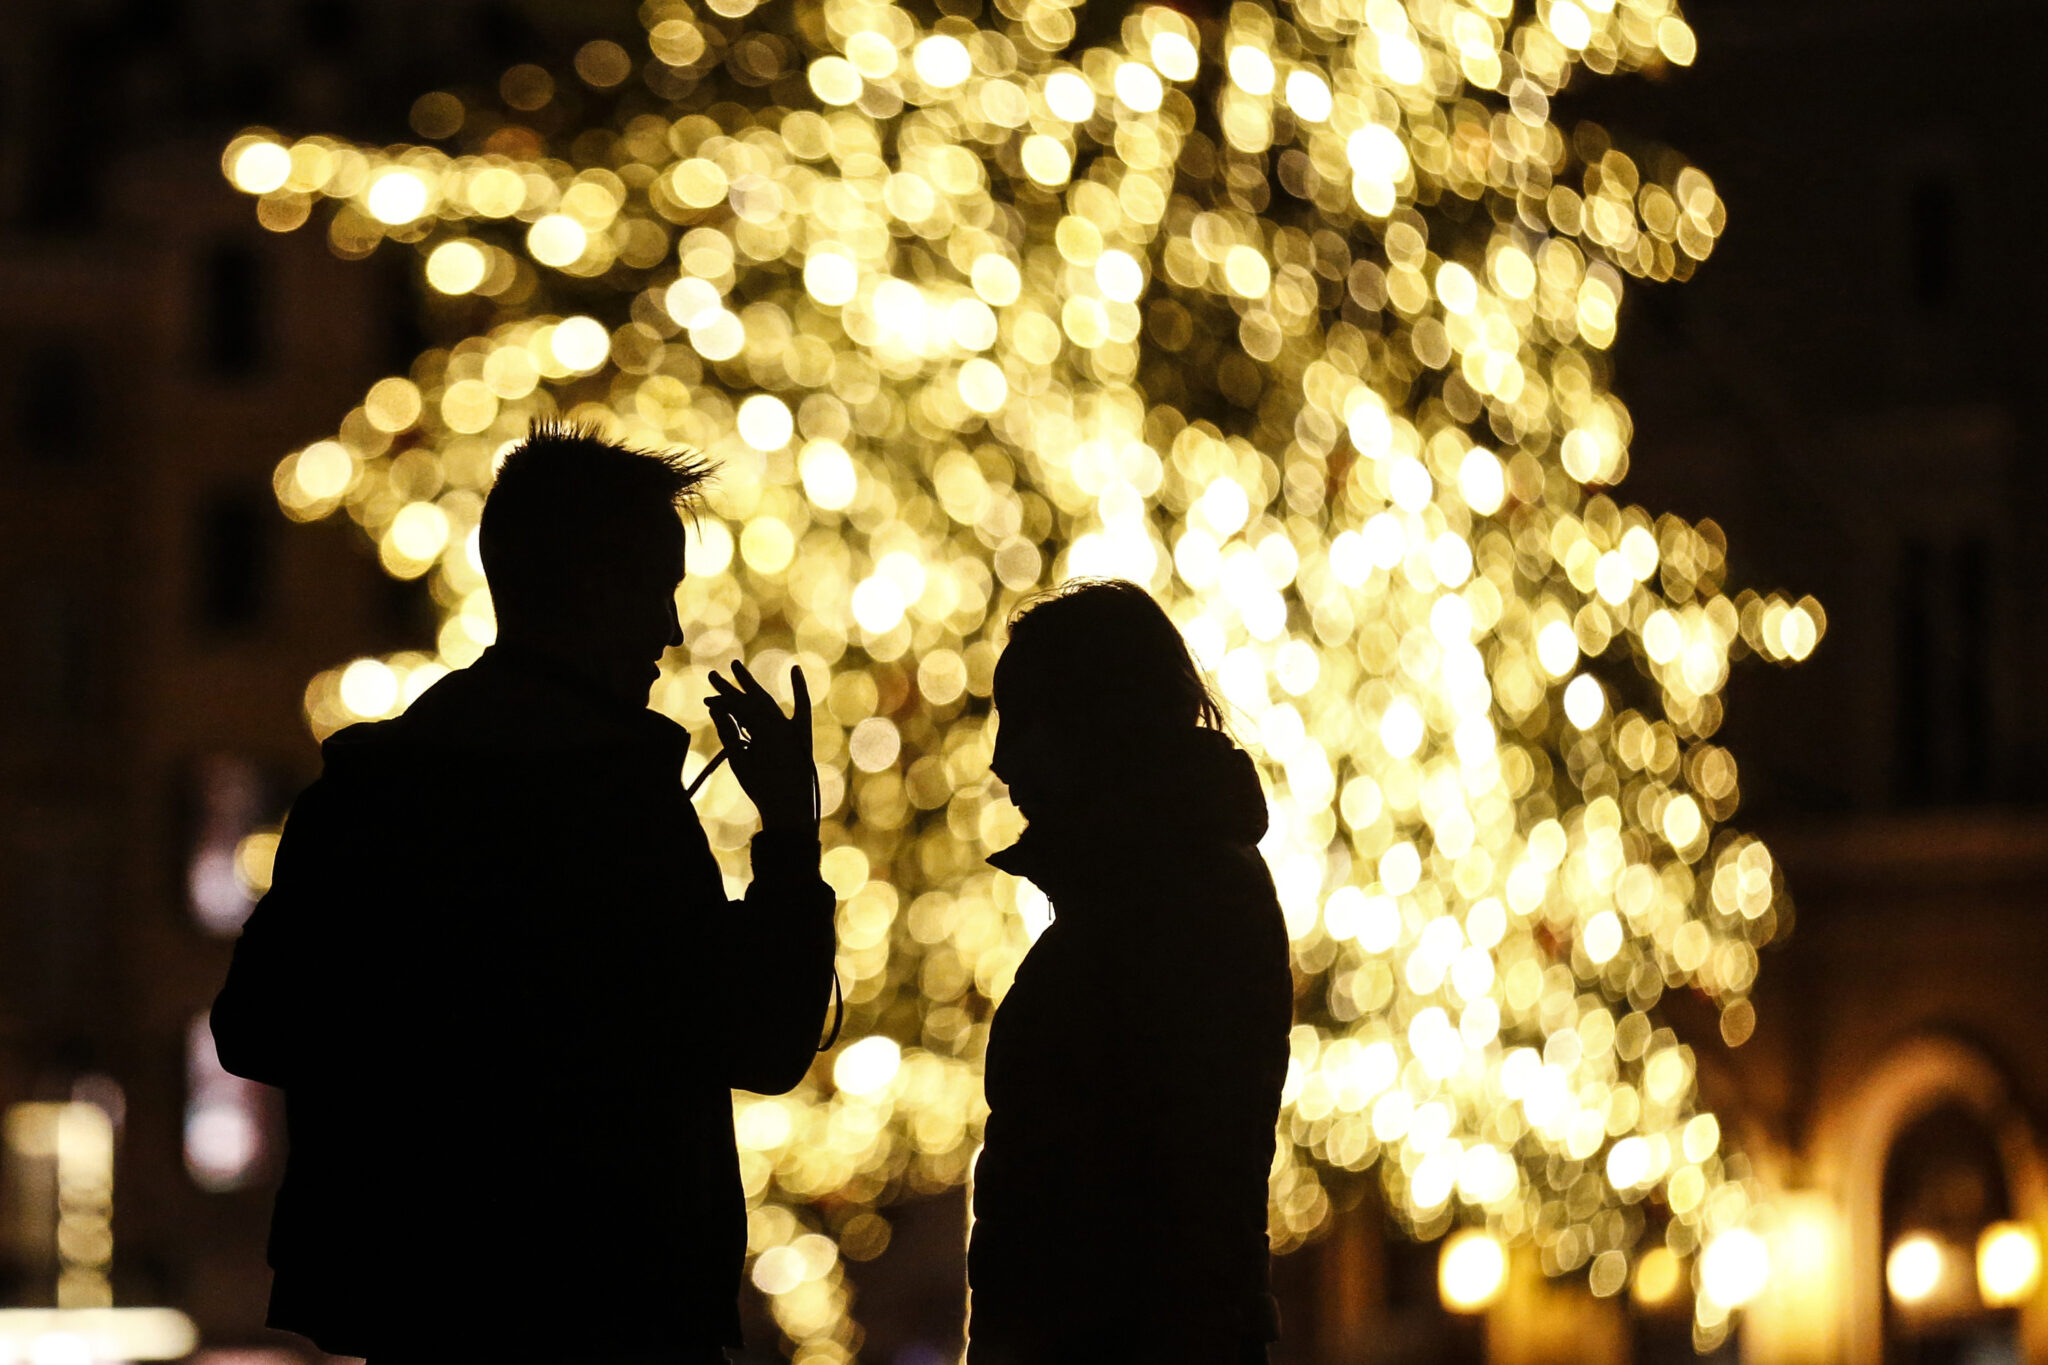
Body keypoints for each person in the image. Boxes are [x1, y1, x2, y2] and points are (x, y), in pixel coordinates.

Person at [210, 420, 836, 1364]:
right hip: (618, 1316)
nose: (668, 632)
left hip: (420, 1316)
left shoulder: (373, 792)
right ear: (591, 590)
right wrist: (788, 839)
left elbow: (253, 1024)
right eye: (655, 591)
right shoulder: (617, 808)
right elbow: (763, 1036)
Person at [967, 579, 1294, 1364]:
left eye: (1023, 721)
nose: (1002, 760)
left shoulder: (1157, 909)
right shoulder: (1168, 888)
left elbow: (1093, 1210)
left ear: (1093, 722)